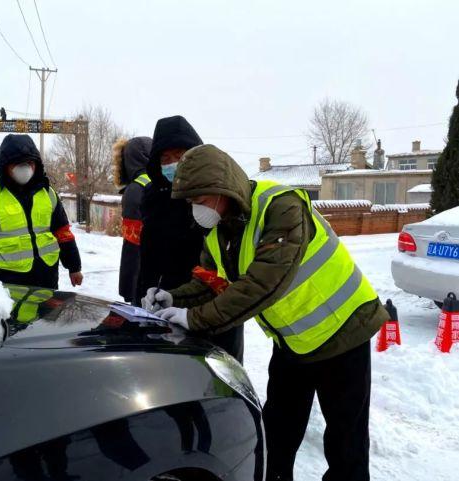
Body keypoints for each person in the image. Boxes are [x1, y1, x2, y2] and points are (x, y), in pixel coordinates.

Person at [143, 144, 389, 481]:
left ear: (220, 188)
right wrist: (173, 298)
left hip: (343, 332)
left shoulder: (280, 207)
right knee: (277, 433)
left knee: (346, 442)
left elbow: (262, 284)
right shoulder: (220, 229)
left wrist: (194, 319)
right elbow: (210, 280)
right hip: (293, 342)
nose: (194, 209)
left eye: (198, 200)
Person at [138, 115, 244, 362]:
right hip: (166, 302)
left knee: (219, 372)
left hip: (214, 300)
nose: (173, 164)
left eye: (180, 155)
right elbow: (148, 254)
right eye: (165, 159)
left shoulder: (217, 192)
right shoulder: (152, 196)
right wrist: (144, 293)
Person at [0, 134, 83, 289]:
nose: (25, 169)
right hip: (7, 284)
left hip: (47, 279)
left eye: (29, 163)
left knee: (47, 314)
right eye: (18, 164)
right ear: (5, 165)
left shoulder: (47, 193)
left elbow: (63, 232)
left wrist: (74, 267)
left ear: (36, 164)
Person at [111, 136, 152, 303]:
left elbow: (132, 246)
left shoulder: (135, 189)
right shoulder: (161, 181)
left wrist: (128, 287)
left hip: (142, 279)